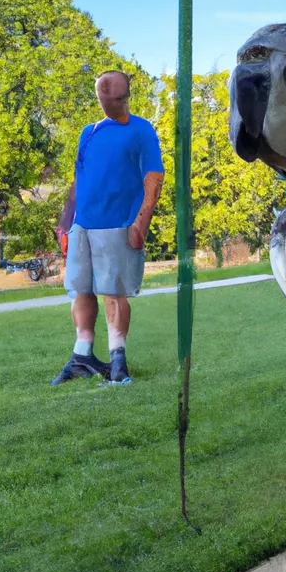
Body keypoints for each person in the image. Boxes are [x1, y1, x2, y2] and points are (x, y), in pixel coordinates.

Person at [51, 71, 164, 385]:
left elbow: (154, 178)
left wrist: (140, 224)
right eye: (101, 95)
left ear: (125, 97)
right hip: (82, 227)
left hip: (118, 225)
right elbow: (79, 179)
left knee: (113, 294)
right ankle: (82, 355)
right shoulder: (88, 131)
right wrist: (66, 223)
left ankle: (118, 363)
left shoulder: (142, 130)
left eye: (112, 96)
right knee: (81, 290)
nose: (106, 101)